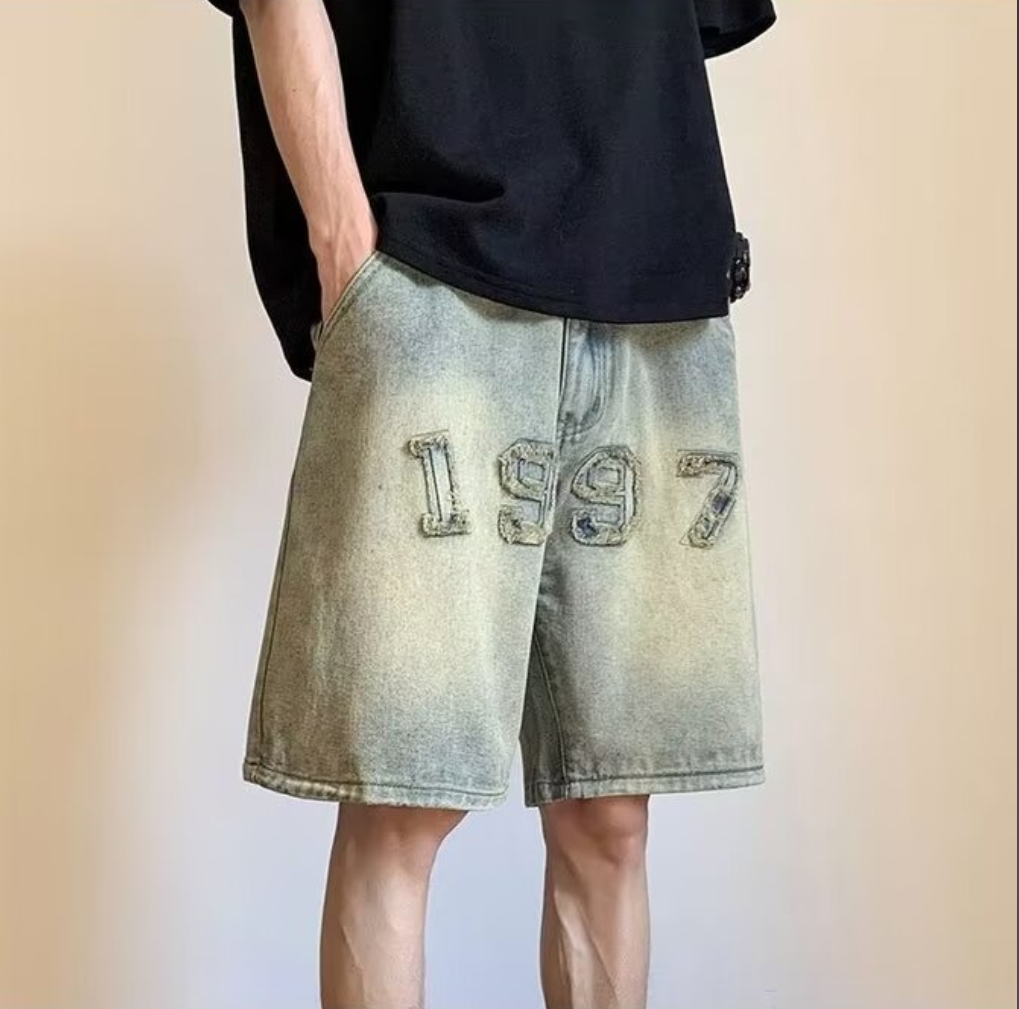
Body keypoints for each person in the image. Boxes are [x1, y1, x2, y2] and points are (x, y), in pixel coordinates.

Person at [203, 1, 776, 1006]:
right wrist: (342, 249)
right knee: (400, 798)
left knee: (612, 812)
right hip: (431, 277)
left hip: (655, 292)